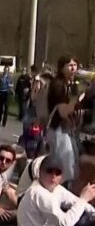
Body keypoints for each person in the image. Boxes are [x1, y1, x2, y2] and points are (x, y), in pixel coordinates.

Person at [46, 55, 81, 185]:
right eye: (70, 65)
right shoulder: (58, 85)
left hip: (68, 130)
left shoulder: (71, 85)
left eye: (75, 65)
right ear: (62, 68)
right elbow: (63, 112)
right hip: (58, 130)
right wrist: (77, 98)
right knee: (63, 166)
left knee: (72, 163)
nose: (73, 68)